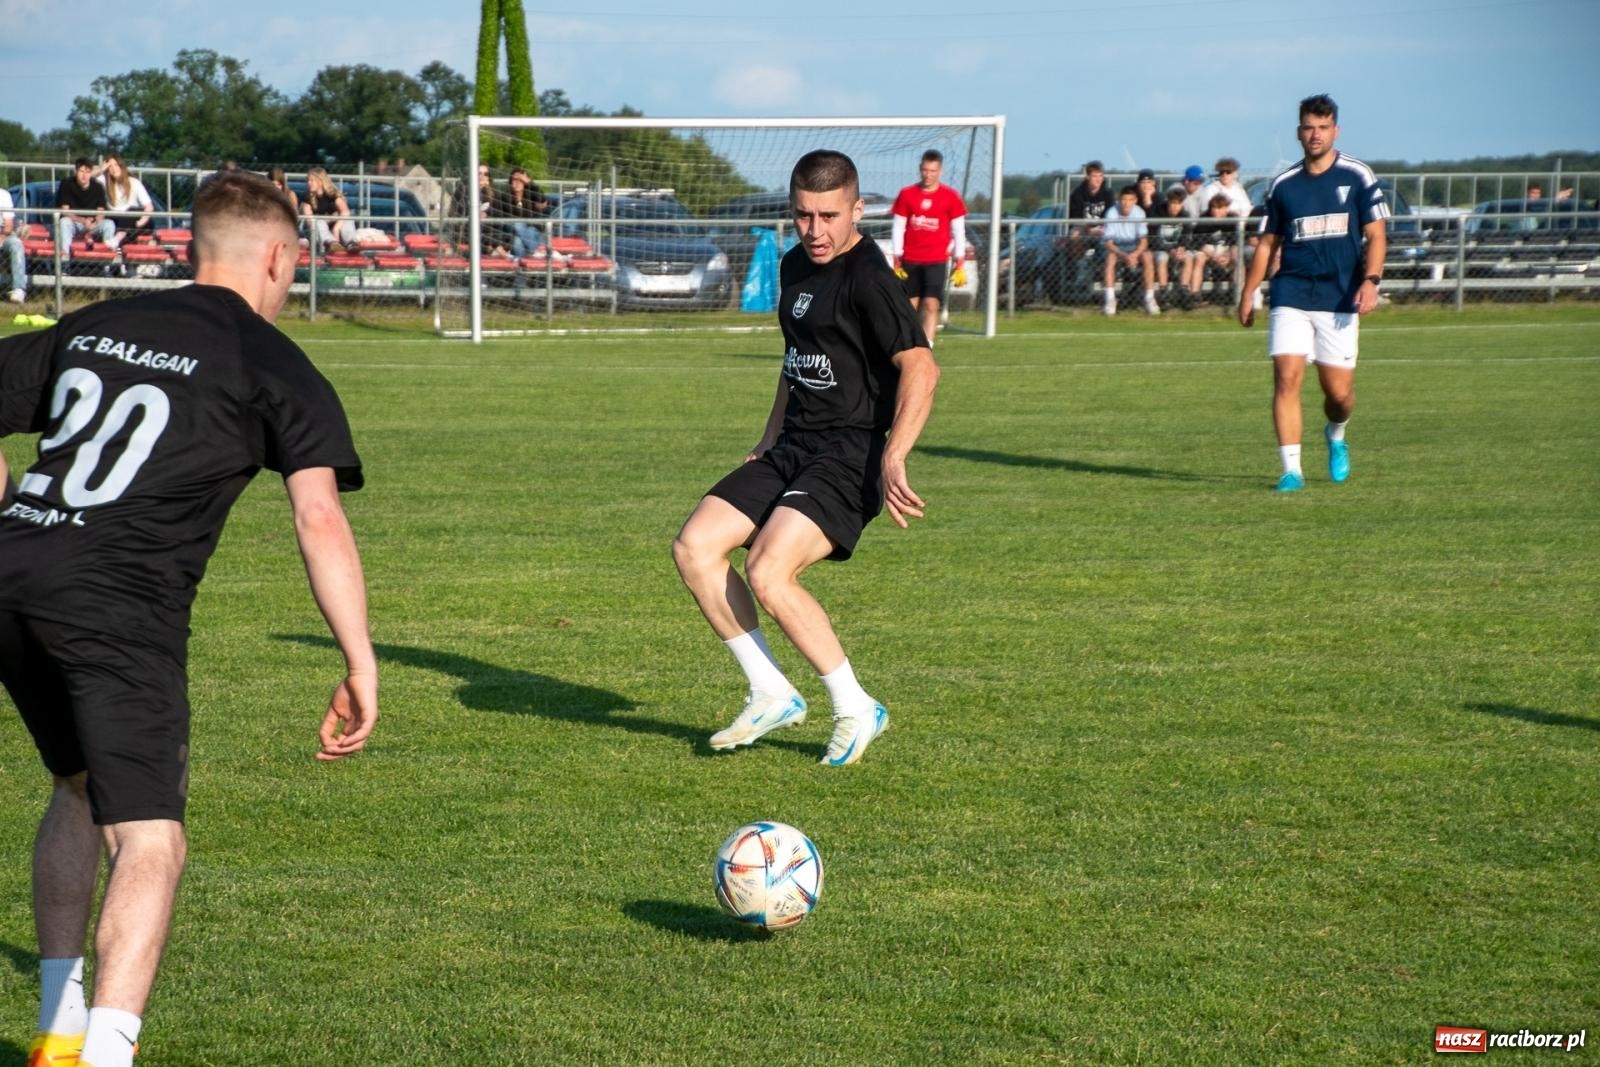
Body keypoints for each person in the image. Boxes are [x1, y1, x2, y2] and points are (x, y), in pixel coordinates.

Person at [0, 169, 377, 1067]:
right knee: (152, 838)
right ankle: (107, 1053)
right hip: (117, 606)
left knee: (78, 785)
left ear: (191, 247)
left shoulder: (96, 321)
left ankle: (59, 1026)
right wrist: (360, 660)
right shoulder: (277, 361)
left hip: (12, 570)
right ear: (282, 257)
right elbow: (318, 516)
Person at [672, 149, 939, 767]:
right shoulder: (794, 264)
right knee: (694, 547)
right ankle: (769, 690)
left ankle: (855, 706)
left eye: (828, 216)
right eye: (801, 216)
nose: (814, 231)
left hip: (851, 456)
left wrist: (894, 456)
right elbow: (797, 361)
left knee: (767, 570)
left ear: (856, 210)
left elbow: (922, 369)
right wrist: (768, 436)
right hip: (793, 445)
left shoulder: (870, 278)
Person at [1238, 93, 1387, 493]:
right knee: (1287, 378)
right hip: (1291, 293)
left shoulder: (1357, 175)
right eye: (1309, 127)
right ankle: (1292, 471)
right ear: (1298, 132)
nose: (1315, 134)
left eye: (1323, 127)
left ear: (1335, 130)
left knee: (1338, 395)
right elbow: (1267, 244)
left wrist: (1370, 281)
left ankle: (1336, 434)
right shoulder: (1284, 185)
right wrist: (1249, 291)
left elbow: (1376, 235)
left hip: (1339, 298)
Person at [890, 149, 968, 346]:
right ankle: (908, 343)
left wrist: (960, 262)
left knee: (931, 304)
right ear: (920, 169)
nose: (928, 175)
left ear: (940, 170)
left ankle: (927, 346)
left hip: (936, 261)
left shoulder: (950, 196)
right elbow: (898, 227)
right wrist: (897, 256)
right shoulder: (907, 194)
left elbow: (959, 230)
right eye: (925, 170)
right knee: (909, 306)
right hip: (910, 259)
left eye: (932, 171)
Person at [1101, 185, 1159, 315]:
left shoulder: (1139, 213)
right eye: (1123, 199)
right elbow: (1109, 243)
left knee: (1148, 257)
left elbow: (1144, 241)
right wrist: (1123, 255)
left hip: (1134, 246)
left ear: (1135, 201)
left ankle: (1149, 298)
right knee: (1110, 259)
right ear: (1118, 200)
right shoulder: (1111, 213)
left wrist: (1135, 254)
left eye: (1129, 200)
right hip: (1117, 247)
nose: (1126, 203)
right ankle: (1110, 299)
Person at [56, 158, 116, 259]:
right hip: (74, 223)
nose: (84, 175)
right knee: (64, 222)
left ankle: (106, 265)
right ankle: (64, 263)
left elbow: (101, 211)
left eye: (88, 172)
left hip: (92, 224)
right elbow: (65, 210)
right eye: (81, 171)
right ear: (76, 171)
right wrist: (83, 220)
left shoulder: (98, 187)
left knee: (109, 224)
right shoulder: (67, 184)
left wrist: (95, 223)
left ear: (91, 173)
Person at [96, 154, 156, 247]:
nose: (113, 169)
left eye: (116, 165)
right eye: (110, 166)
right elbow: (86, 181)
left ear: (121, 166)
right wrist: (100, 170)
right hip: (116, 219)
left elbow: (149, 206)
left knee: (132, 211)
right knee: (110, 219)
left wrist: (142, 221)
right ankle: (117, 242)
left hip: (134, 221)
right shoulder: (104, 181)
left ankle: (117, 239)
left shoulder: (134, 182)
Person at [1194, 193, 1242, 301]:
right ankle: (1195, 295)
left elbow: (1236, 242)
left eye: (1219, 208)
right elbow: (1198, 243)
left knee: (1237, 255)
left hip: (1226, 249)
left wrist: (1228, 256)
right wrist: (1214, 256)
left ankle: (1238, 293)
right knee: (1198, 258)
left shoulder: (1233, 219)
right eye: (1213, 207)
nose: (1215, 211)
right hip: (1208, 250)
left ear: (1226, 209)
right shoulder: (1204, 218)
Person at [300, 167, 356, 254]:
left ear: (320, 181)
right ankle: (331, 243)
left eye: (312, 180)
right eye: (308, 180)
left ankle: (351, 243)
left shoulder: (332, 194)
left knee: (347, 221)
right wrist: (329, 219)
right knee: (318, 222)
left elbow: (345, 212)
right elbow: (309, 220)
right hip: (318, 232)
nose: (308, 183)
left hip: (336, 226)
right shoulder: (307, 197)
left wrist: (336, 229)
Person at [502, 167, 551, 260]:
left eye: (521, 180)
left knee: (530, 230)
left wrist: (529, 183)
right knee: (517, 239)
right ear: (510, 182)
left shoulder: (532, 197)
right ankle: (535, 254)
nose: (518, 182)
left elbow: (543, 201)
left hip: (534, 234)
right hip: (513, 234)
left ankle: (522, 267)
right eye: (515, 179)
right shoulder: (505, 198)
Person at [2, 184, 27, 303]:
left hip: (2, 235)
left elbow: (8, 226)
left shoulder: (3, 195)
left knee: (16, 244)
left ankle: (18, 290)